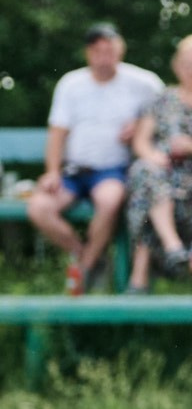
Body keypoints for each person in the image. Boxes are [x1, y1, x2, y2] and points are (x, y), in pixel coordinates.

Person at [26, 24, 163, 295]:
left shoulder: (144, 83)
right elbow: (57, 134)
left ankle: (83, 273)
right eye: (97, 51)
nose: (104, 57)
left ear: (120, 49)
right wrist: (52, 171)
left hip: (113, 170)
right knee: (38, 208)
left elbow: (166, 116)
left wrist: (140, 125)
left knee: (110, 201)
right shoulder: (71, 84)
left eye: (109, 49)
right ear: (88, 53)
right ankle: (91, 258)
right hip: (73, 170)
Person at [122, 34, 192, 293]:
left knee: (149, 189)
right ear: (177, 65)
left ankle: (140, 277)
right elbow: (141, 142)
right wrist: (152, 155)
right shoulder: (162, 99)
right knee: (145, 171)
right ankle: (173, 248)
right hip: (161, 170)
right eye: (187, 63)